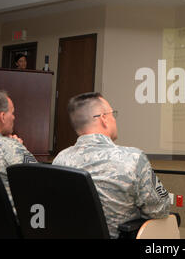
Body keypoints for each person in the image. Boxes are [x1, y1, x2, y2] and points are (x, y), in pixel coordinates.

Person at [52, 92, 170, 238]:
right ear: (104, 119)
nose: (115, 119)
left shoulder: (60, 160)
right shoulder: (133, 159)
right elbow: (160, 209)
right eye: (113, 114)